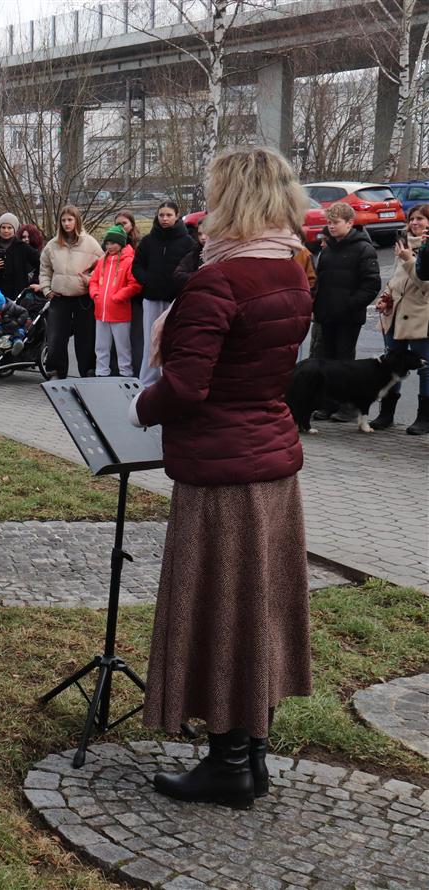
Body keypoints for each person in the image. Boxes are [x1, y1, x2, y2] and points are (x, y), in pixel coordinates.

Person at [131, 146, 313, 810]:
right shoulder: (291, 270)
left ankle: (229, 764)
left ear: (228, 198)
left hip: (222, 471)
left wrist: (139, 405)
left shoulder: (220, 279)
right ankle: (250, 754)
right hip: (269, 461)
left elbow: (185, 385)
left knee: (221, 611)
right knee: (253, 609)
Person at [312, 201, 381, 423]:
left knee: (345, 363)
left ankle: (347, 407)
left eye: (335, 223)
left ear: (350, 223)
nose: (331, 227)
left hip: (348, 317)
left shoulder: (363, 248)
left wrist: (349, 304)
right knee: (327, 362)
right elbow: (321, 282)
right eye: (329, 222)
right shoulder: (328, 249)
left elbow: (371, 285)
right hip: (327, 315)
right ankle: (327, 405)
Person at [373, 203, 429, 434]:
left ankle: (424, 418)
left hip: (420, 317)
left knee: (425, 368)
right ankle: (386, 414)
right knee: (391, 363)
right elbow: (395, 280)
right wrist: (385, 297)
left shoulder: (423, 249)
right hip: (394, 315)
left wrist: (409, 260)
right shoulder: (402, 244)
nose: (414, 223)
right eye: (412, 218)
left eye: (421, 219)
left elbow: (425, 284)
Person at [131, 201, 197, 385]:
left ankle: (168, 379)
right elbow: (136, 266)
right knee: (150, 340)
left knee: (171, 340)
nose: (165, 219)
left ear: (176, 216)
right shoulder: (148, 241)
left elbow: (191, 269)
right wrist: (147, 280)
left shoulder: (187, 242)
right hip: (151, 298)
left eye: (168, 215)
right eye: (161, 215)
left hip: (174, 300)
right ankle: (147, 380)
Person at [39, 205, 101, 379]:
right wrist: (46, 289)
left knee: (86, 338)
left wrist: (90, 280)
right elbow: (44, 268)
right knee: (56, 337)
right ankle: (56, 371)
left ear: (77, 220)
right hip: (59, 298)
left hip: (83, 298)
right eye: (64, 220)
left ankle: (88, 371)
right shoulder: (52, 245)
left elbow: (102, 266)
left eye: (70, 220)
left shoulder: (90, 243)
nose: (67, 223)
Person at [89, 226, 140, 378]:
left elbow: (135, 285)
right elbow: (94, 281)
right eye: (107, 243)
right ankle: (101, 373)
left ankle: (126, 375)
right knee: (101, 347)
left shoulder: (129, 261)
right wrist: (95, 294)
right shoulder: (101, 261)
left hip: (120, 314)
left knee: (123, 348)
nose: (109, 246)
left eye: (112, 243)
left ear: (121, 243)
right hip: (101, 312)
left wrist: (119, 296)